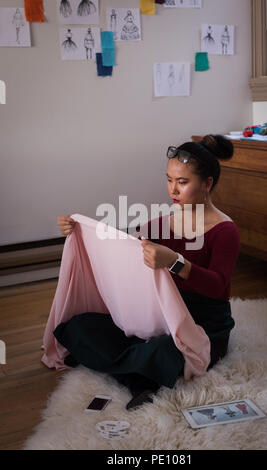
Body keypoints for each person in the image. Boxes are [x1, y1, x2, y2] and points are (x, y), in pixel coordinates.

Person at [56, 135, 240, 411]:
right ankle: (139, 375)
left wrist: (176, 262)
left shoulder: (226, 230)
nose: (172, 190)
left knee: (164, 350)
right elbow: (120, 245)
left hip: (203, 323)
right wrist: (77, 229)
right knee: (78, 325)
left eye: (182, 182)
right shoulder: (161, 223)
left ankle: (128, 374)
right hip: (160, 317)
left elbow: (218, 286)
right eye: (169, 179)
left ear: (208, 184)